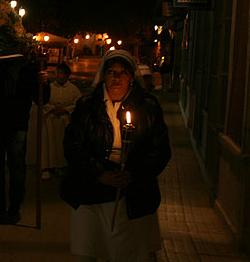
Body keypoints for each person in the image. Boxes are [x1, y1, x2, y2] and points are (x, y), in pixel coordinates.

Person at [60, 50, 171, 262]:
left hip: (132, 193)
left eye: (123, 73)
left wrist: (133, 174)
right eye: (111, 72)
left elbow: (160, 150)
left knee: (129, 251)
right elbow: (73, 145)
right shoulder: (87, 106)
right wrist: (100, 173)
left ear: (132, 77)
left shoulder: (148, 107)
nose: (116, 78)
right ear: (103, 75)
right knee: (89, 248)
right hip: (91, 190)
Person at [0, 56, 50, 224]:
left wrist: (44, 83)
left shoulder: (29, 68)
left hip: (17, 124)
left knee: (17, 168)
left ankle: (14, 207)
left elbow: (41, 99)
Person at [42, 62, 81, 179]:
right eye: (57, 73)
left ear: (67, 75)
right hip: (50, 120)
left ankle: (63, 166)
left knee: (63, 144)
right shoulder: (49, 87)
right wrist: (52, 108)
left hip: (65, 121)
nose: (59, 76)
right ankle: (48, 167)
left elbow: (78, 104)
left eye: (61, 73)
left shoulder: (73, 89)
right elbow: (42, 101)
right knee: (49, 144)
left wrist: (66, 109)